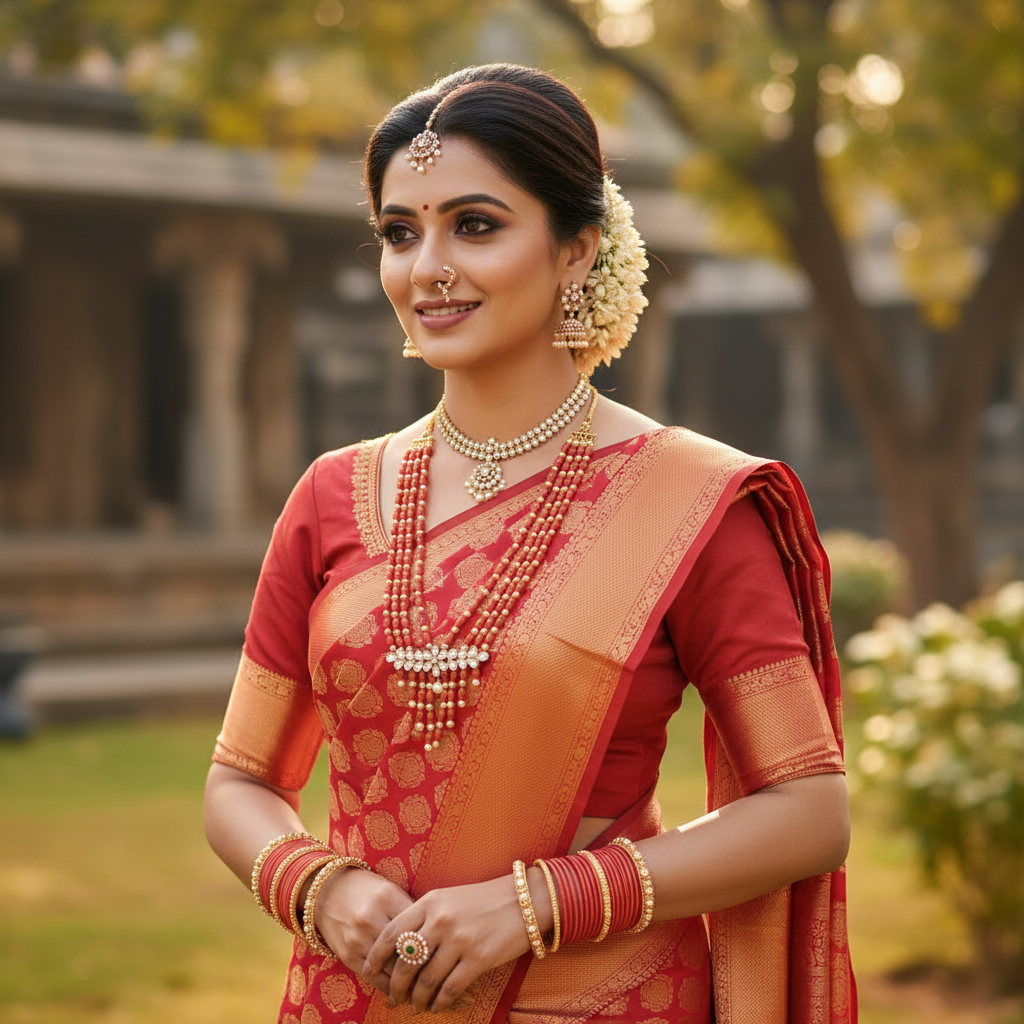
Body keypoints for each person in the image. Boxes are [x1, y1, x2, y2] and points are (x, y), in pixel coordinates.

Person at [204, 63, 856, 1024]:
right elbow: (241, 780)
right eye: (398, 231)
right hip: (355, 995)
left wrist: (539, 904)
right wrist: (319, 887)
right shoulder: (332, 495)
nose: (427, 266)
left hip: (604, 999)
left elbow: (809, 812)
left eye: (475, 224)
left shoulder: (691, 501)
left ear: (576, 249)